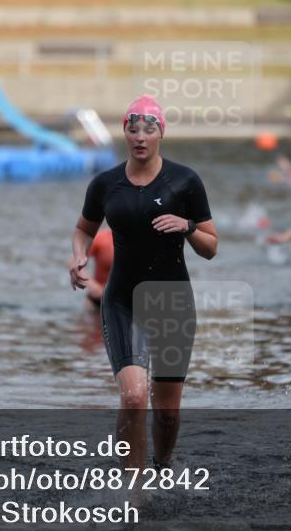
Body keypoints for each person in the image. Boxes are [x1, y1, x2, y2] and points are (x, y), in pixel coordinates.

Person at [70, 94, 217, 472]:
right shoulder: (105, 184)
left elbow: (211, 247)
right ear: (125, 133)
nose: (140, 136)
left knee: (166, 412)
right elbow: (83, 230)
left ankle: (162, 467)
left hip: (172, 302)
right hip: (123, 301)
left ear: (160, 134)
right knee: (134, 397)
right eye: (132, 129)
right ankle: (132, 493)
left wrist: (187, 227)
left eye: (148, 129)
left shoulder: (185, 181)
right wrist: (78, 256)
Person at [85, 227, 113, 307]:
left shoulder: (145, 239)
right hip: (99, 299)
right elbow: (74, 262)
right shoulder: (100, 238)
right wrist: (92, 285)